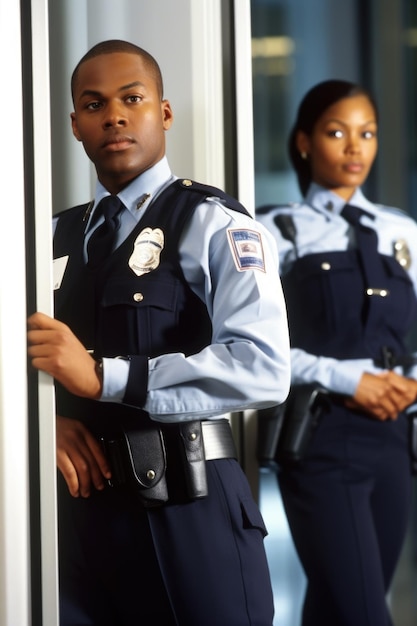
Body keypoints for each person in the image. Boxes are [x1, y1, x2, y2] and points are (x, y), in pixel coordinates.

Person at [27, 39, 290, 626]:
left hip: (187, 505)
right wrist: (43, 425)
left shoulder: (211, 222)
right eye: (93, 104)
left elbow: (264, 368)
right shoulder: (46, 238)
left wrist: (101, 377)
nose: (114, 115)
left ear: (163, 113)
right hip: (75, 519)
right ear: (74, 125)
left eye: (132, 98)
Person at [257, 79, 417, 626]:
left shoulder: (402, 231)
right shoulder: (275, 231)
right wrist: (351, 379)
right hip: (322, 440)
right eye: (337, 132)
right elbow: (264, 348)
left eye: (367, 134)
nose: (355, 148)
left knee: (336, 608)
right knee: (365, 614)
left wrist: (411, 384)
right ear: (304, 142)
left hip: (395, 440)